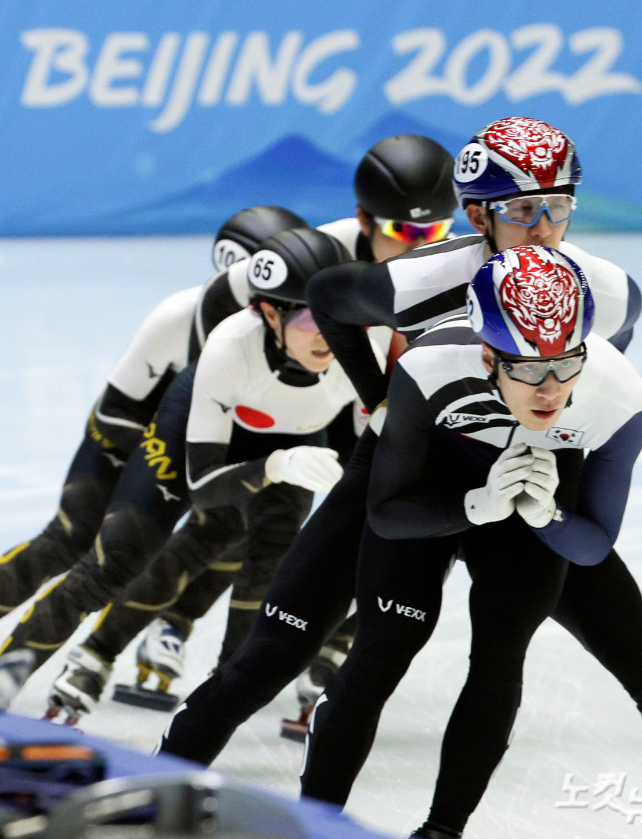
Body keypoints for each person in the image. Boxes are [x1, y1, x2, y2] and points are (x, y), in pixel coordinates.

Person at [156, 117, 641, 765]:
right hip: (408, 473)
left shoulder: (600, 287)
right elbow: (328, 294)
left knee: (624, 665)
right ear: (477, 213)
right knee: (274, 655)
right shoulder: (424, 277)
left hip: (514, 484)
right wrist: (376, 395)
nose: (545, 227)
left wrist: (560, 427)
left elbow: (614, 340)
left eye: (560, 207)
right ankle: (164, 783)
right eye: (525, 209)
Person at [298, 246, 642, 837]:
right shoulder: (431, 364)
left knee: (601, 659)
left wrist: (544, 517)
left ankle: (440, 831)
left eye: (567, 363)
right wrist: (475, 506)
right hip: (435, 491)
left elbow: (592, 544)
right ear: (488, 355)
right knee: (378, 655)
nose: (550, 389)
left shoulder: (618, 394)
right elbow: (387, 513)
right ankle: (312, 825)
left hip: (537, 501)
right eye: (528, 369)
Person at [117, 133, 459, 730]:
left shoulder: (457, 259)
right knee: (242, 524)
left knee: (415, 536)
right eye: (403, 233)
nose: (420, 245)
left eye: (434, 233)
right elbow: (222, 305)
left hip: (392, 402)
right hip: (329, 393)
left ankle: (331, 654)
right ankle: (174, 623)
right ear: (364, 220)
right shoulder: (329, 253)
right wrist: (220, 392)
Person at [0, 227, 363, 722]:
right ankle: (10, 672)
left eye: (336, 309)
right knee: (116, 558)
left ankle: (219, 705)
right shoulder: (228, 347)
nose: (328, 330)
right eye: (307, 315)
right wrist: (275, 466)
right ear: (268, 313)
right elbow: (205, 488)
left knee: (271, 565)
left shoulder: (366, 339)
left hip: (295, 436)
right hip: (206, 442)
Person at [0, 205, 307, 615]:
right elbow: (116, 415)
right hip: (128, 435)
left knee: (235, 527)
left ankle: (168, 634)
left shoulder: (296, 336)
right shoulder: (179, 316)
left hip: (190, 441)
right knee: (71, 539)